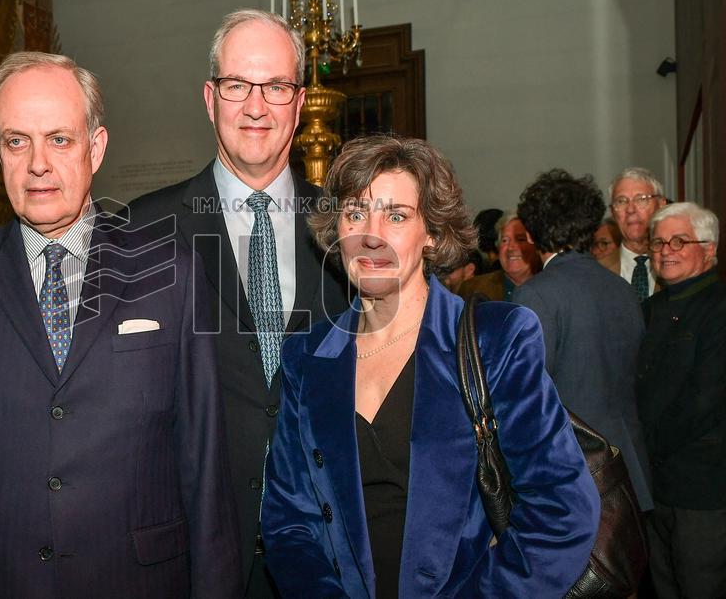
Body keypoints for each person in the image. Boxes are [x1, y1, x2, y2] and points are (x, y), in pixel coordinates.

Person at [0, 52, 241, 598]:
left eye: (59, 139)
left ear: (95, 147)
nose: (37, 164)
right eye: (17, 141)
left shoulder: (173, 274)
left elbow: (205, 468)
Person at [261, 136, 599, 598]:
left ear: (433, 235)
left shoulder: (495, 339)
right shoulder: (309, 353)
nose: (370, 233)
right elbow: (288, 519)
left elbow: (561, 511)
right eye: (356, 212)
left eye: (396, 215)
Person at [127, 9, 347, 597]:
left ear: (299, 103)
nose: (257, 106)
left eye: (276, 86)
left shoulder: (346, 229)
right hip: (191, 552)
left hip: (326, 554)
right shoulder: (144, 230)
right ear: (210, 97)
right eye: (237, 86)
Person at [512, 169, 652, 511]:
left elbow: (527, 398)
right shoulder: (621, 288)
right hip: (631, 471)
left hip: (575, 477)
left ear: (529, 234)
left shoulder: (535, 295)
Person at [637, 202, 725, 598]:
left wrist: (647, 444)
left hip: (702, 488)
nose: (665, 250)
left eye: (679, 240)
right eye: (658, 242)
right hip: (656, 488)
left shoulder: (719, 308)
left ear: (709, 249)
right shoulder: (648, 310)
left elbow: (706, 398)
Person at [601, 167, 667, 301]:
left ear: (661, 205)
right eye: (621, 201)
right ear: (613, 212)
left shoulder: (678, 265)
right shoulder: (598, 272)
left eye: (641, 199)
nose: (631, 209)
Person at [457, 210, 540, 301]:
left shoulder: (551, 288)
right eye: (505, 240)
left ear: (536, 246)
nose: (511, 248)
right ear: (498, 247)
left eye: (520, 239)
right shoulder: (472, 288)